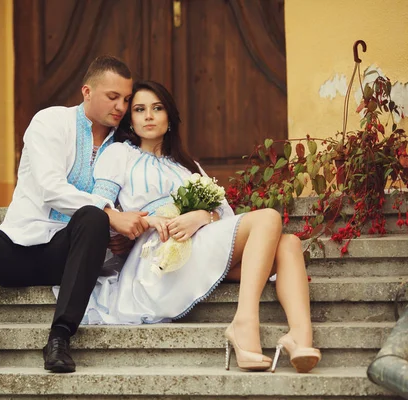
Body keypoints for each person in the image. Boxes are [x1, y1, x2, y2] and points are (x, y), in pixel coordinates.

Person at [0, 56, 150, 374]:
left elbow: (133, 199)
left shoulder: (124, 145)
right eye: (113, 97)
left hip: (67, 256)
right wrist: (113, 216)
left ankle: (59, 338)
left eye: (126, 99)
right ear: (87, 91)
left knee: (94, 218)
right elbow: (50, 188)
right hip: (16, 248)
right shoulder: (50, 122)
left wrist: (118, 233)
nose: (121, 107)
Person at [83, 80, 321, 373]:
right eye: (139, 109)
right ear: (130, 120)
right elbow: (100, 209)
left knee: (289, 243)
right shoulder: (120, 154)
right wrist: (143, 222)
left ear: (169, 117)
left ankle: (300, 337)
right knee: (269, 217)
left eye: (156, 108)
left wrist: (201, 217)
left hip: (199, 244)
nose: (148, 116)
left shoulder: (188, 166)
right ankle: (244, 323)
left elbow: (225, 215)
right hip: (157, 258)